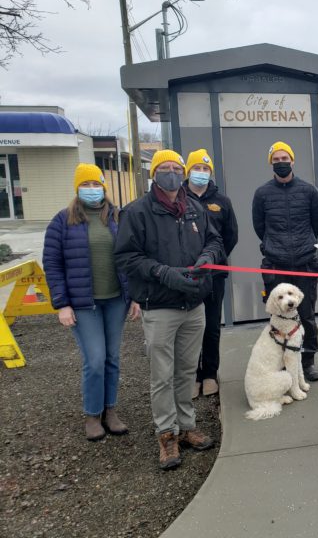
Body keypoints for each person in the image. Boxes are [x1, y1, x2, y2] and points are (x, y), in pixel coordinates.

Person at [115, 149, 223, 470]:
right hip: (160, 305)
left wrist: (208, 258)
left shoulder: (195, 209)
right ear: (155, 173)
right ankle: (167, 435)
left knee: (186, 371)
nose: (173, 172)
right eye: (166, 167)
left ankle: (186, 426)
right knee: (161, 374)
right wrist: (162, 272)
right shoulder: (137, 213)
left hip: (194, 303)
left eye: (178, 168)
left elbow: (214, 241)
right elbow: (126, 257)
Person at [43, 164, 140, 441]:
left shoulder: (118, 218)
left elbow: (130, 259)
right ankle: (92, 414)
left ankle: (111, 410)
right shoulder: (62, 221)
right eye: (85, 185)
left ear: (104, 188)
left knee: (112, 357)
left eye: (95, 185)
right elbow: (52, 264)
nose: (91, 190)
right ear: (77, 189)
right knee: (95, 359)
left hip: (115, 301)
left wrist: (133, 297)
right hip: (84, 304)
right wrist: (62, 303)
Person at [252, 141, 318, 381]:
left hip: (304, 264)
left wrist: (302, 246)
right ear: (271, 163)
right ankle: (281, 362)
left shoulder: (309, 191)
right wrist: (275, 246)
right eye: (276, 159)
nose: (281, 163)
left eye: (285, 158)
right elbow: (259, 227)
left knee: (306, 316)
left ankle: (308, 361)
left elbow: (317, 223)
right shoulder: (262, 194)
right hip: (276, 265)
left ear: (292, 161)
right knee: (279, 319)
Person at [183, 148, 239, 398]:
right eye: (197, 168)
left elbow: (231, 235)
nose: (201, 173)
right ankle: (192, 375)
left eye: (206, 169)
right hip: (185, 276)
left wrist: (216, 259)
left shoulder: (222, 201)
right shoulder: (178, 199)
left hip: (214, 276)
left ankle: (209, 374)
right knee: (189, 327)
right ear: (188, 171)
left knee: (212, 326)